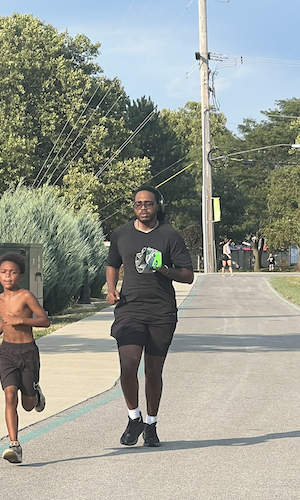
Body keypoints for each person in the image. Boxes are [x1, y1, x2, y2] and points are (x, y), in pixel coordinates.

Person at [106, 186, 194, 447]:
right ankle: (134, 417)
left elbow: (188, 275)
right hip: (129, 309)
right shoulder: (121, 234)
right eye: (138, 204)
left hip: (161, 312)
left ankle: (151, 424)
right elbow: (112, 264)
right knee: (128, 365)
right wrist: (111, 289)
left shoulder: (169, 236)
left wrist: (164, 269)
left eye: (148, 204)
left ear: (158, 206)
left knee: (153, 372)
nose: (143, 208)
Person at [0, 252, 50, 464]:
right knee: (9, 395)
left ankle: (35, 393)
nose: (8, 276)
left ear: (20, 276)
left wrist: (21, 319)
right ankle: (15, 445)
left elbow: (44, 321)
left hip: (28, 352)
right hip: (7, 353)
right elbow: (5, 321)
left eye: (13, 272)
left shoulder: (26, 296)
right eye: (4, 272)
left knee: (27, 404)